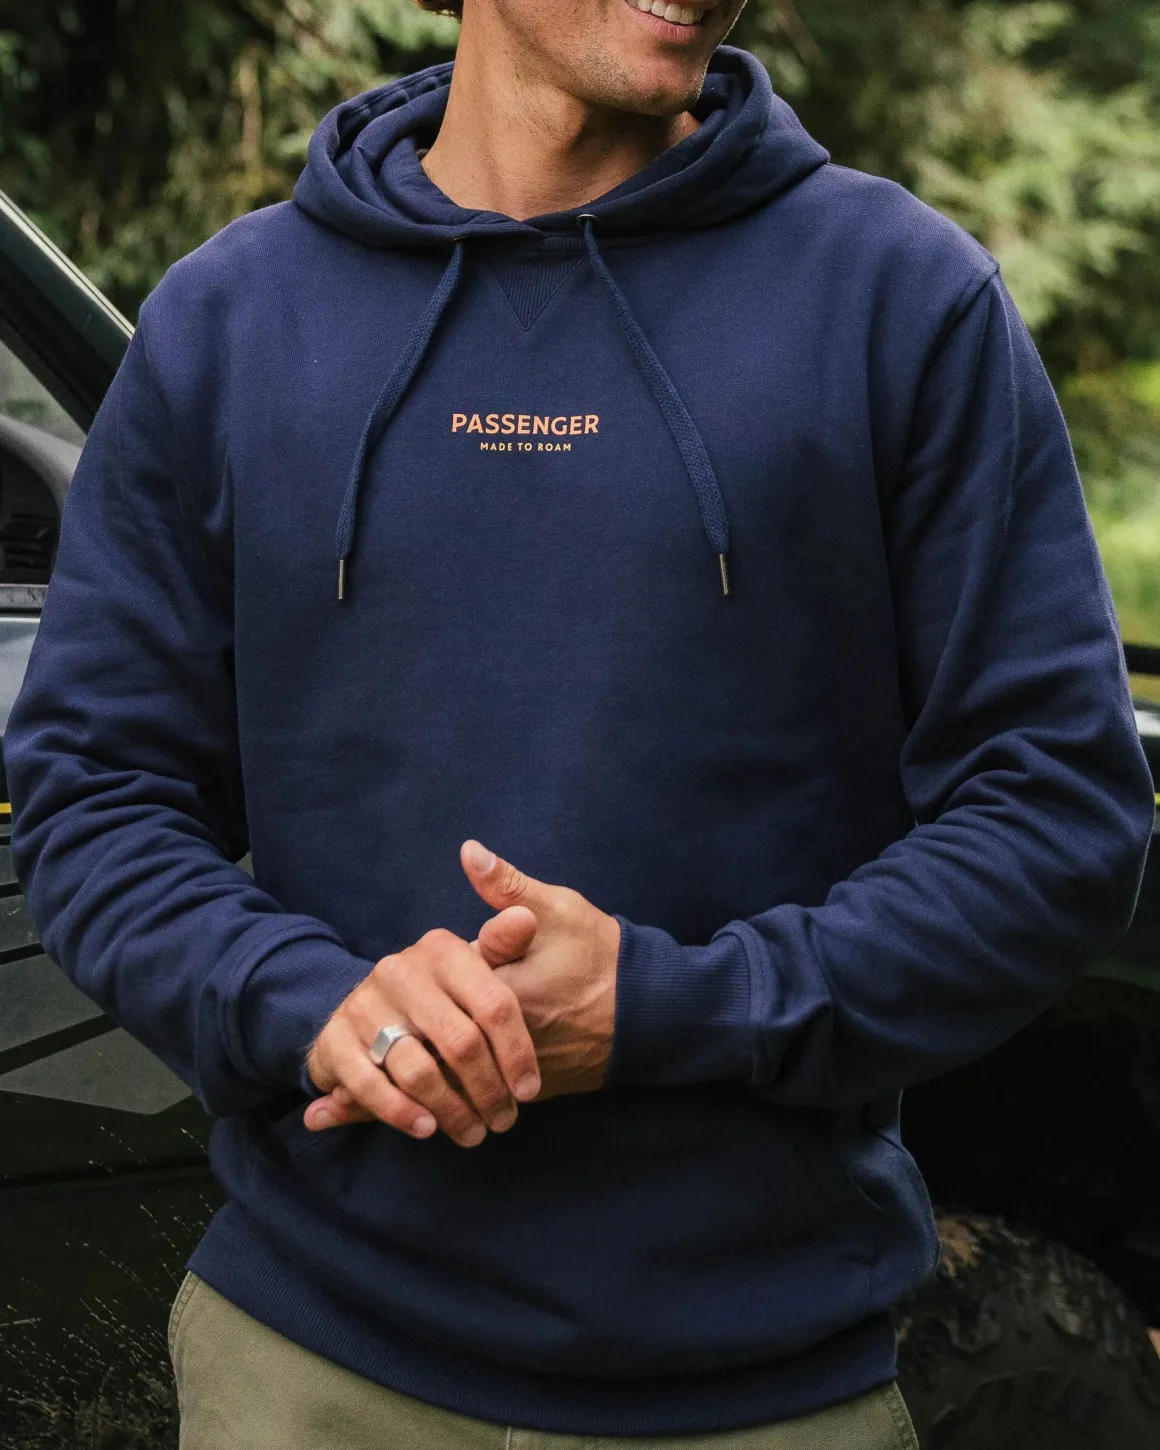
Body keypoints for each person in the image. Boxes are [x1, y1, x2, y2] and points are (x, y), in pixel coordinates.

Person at [6, 0, 1154, 1445]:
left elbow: (1058, 812)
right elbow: (96, 790)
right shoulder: (233, 321)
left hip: (759, 1389)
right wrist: (313, 1003)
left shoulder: (903, 303)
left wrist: (672, 1007)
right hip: (307, 1367)